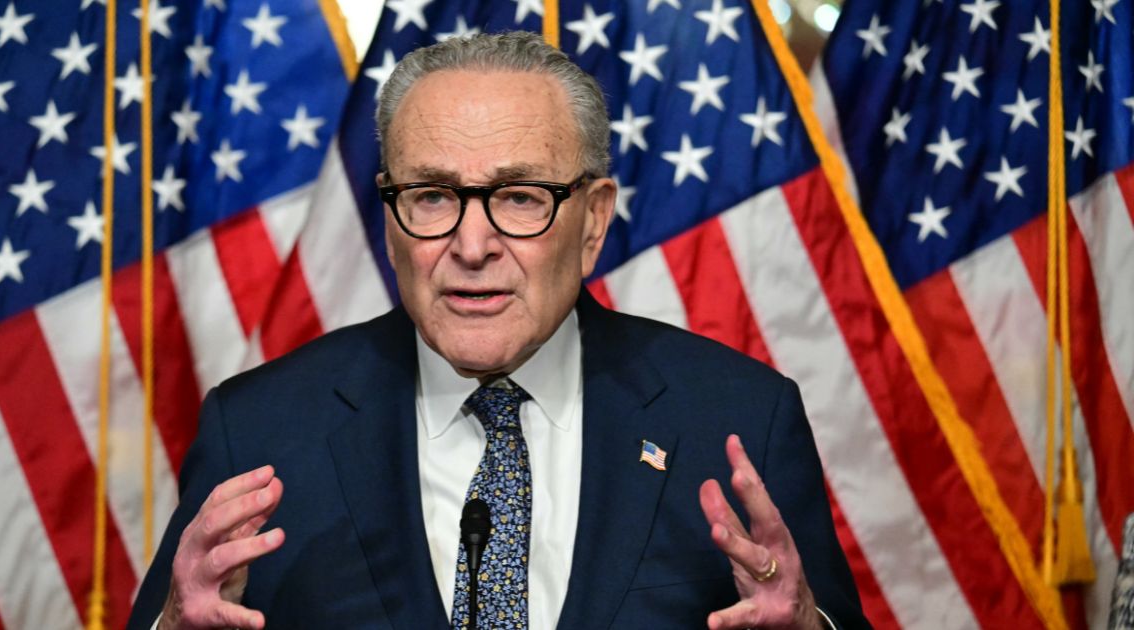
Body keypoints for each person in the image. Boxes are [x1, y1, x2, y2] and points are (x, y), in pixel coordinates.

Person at [129, 31, 868, 630]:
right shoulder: (259, 429)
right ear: (390, 223)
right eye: (431, 195)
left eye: (519, 197)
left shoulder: (737, 417)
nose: (473, 245)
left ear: (593, 222)